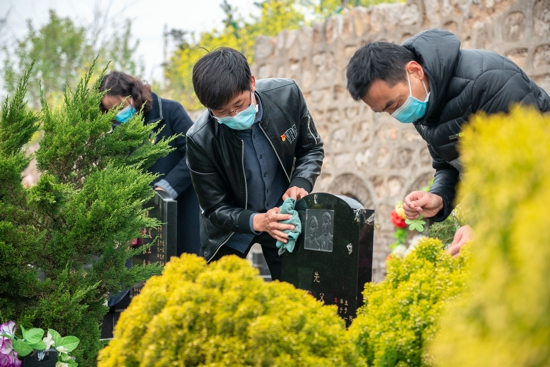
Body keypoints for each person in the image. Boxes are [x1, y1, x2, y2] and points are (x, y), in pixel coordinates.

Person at [346, 28, 550, 255]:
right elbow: (448, 164)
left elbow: (525, 162)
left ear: (415, 71)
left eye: (394, 104)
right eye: (384, 111)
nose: (395, 114)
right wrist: (438, 197)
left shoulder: (488, 81)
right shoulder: (425, 106)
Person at [186, 47, 324, 280]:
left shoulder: (286, 95)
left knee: (296, 293)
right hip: (229, 230)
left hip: (282, 217)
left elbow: (311, 148)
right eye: (222, 113)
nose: (233, 115)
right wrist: (258, 221)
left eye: (239, 105)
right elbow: (215, 208)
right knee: (220, 301)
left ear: (251, 82)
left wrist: (300, 183)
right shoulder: (200, 138)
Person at [99, 71, 201, 256]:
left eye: (120, 106)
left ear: (134, 95)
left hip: (182, 208)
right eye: (111, 111)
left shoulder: (171, 112)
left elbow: (196, 155)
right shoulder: (117, 133)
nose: (117, 114)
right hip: (143, 219)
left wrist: (165, 188)